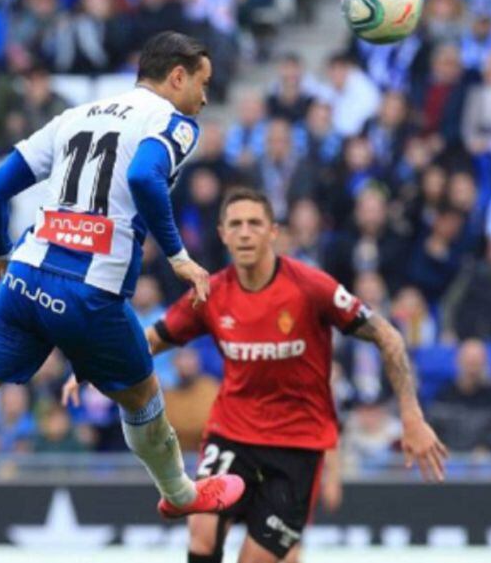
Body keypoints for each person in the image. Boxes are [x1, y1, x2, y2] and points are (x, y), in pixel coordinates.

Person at [0, 31, 245, 560]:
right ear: (178, 76)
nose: (204, 97)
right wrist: (177, 256)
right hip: (90, 294)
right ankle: (179, 495)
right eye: (202, 83)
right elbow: (146, 179)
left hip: (23, 280)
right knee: (145, 399)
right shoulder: (174, 122)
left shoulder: (75, 116)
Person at [65, 188, 447, 563]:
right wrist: (94, 363)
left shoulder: (311, 288)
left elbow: (387, 335)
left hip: (299, 446)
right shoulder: (211, 293)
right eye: (236, 224)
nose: (245, 232)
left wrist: (411, 415)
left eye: (254, 223)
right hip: (233, 434)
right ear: (223, 234)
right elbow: (153, 338)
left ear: (273, 232)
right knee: (201, 528)